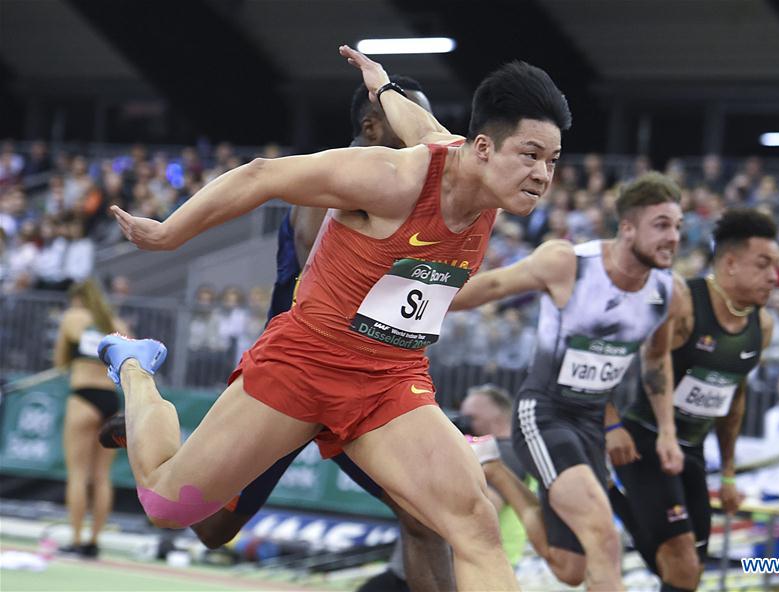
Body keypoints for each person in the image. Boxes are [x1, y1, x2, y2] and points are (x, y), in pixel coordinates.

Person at [97, 45, 571, 591]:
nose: (542, 175)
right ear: (483, 148)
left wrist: (384, 86)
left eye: (553, 161)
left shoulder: (484, 177)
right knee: (167, 503)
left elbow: (420, 121)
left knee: (474, 525)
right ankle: (135, 367)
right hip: (303, 363)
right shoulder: (393, 178)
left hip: (389, 383)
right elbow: (262, 175)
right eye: (531, 155)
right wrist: (167, 233)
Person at [449, 172, 687, 590]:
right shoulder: (569, 263)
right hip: (544, 413)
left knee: (570, 568)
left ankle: (495, 468)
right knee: (604, 535)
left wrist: (667, 431)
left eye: (679, 227)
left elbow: (657, 360)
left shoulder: (668, 292)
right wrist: (404, 303)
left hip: (590, 423)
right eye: (662, 225)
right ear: (628, 228)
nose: (674, 237)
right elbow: (490, 286)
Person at [610, 209, 778, 591]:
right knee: (682, 561)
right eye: (764, 264)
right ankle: (611, 493)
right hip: (647, 439)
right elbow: (615, 352)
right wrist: (611, 424)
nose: (774, 277)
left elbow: (733, 401)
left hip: (693, 449)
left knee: (689, 569)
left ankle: (612, 498)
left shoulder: (763, 326)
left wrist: (731, 474)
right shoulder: (684, 302)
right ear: (731, 264)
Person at [52, 279, 128, 558]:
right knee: (102, 476)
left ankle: (75, 539)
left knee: (78, 474)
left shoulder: (73, 317)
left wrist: (71, 361)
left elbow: (60, 360)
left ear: (77, 299)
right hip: (111, 400)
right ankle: (93, 542)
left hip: (83, 396)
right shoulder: (118, 324)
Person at [459, 384, 530, 565]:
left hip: (491, 560)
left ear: (497, 419)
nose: (464, 424)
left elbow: (479, 511)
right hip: (503, 559)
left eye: (471, 418)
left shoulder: (502, 454)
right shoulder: (519, 449)